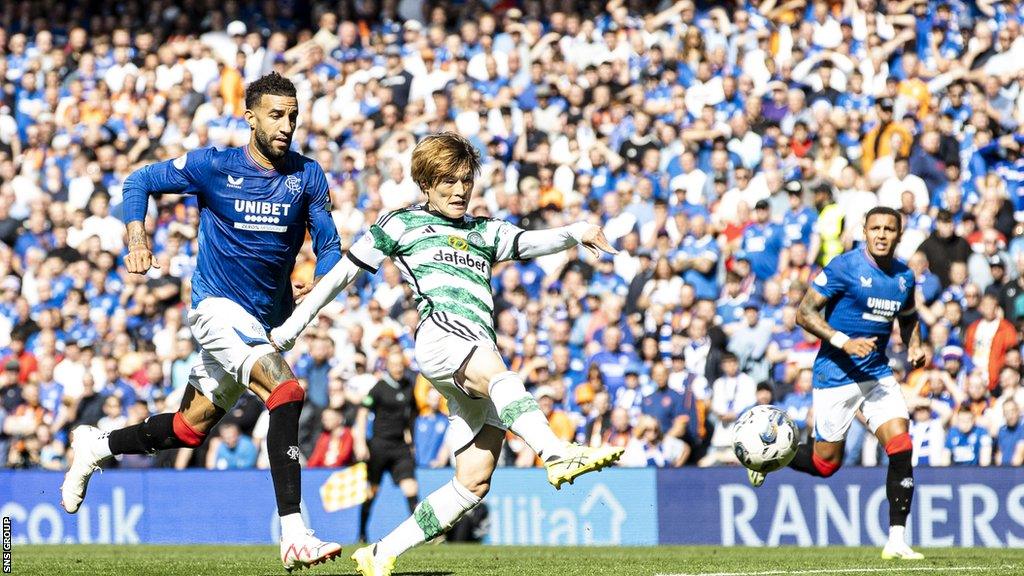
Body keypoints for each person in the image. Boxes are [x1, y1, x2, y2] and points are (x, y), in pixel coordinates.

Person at [269, 131, 624, 576]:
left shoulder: (483, 231)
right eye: (447, 182)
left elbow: (533, 242)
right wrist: (292, 327)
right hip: (442, 337)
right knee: (496, 370)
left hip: (474, 351)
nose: (459, 191)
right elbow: (344, 274)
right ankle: (554, 453)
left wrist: (578, 232)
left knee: (474, 480)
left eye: (465, 181)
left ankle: (380, 554)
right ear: (426, 184)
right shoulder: (401, 224)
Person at [59, 73, 343, 571]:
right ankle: (295, 533)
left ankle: (96, 445)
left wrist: (317, 282)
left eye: (293, 115)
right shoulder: (214, 166)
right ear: (250, 117)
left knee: (189, 430)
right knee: (287, 392)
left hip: (263, 324)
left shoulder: (308, 175)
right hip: (215, 310)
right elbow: (138, 181)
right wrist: (137, 240)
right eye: (276, 115)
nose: (286, 125)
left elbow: (330, 245)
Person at [751, 206, 926, 560]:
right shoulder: (844, 267)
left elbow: (908, 317)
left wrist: (915, 344)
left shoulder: (905, 276)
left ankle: (896, 540)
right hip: (836, 374)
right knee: (826, 465)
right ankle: (767, 458)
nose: (881, 234)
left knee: (901, 445)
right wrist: (844, 341)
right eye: (875, 227)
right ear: (864, 230)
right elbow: (804, 313)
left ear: (899, 234)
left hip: (876, 372)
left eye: (888, 229)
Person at [354, 349, 419, 544]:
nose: (398, 368)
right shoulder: (379, 388)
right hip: (380, 445)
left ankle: (420, 534)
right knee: (372, 491)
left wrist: (410, 439)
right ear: (387, 366)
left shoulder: (409, 386)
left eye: (401, 364)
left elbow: (411, 414)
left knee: (411, 488)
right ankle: (362, 533)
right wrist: (360, 442)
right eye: (394, 364)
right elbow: (362, 412)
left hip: (400, 447)